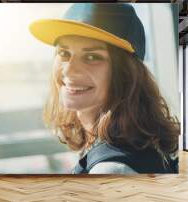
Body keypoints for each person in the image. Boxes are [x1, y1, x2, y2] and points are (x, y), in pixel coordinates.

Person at [29, 3, 179, 174]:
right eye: (64, 53)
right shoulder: (138, 145)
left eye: (92, 57)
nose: (69, 70)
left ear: (125, 74)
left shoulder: (111, 170)